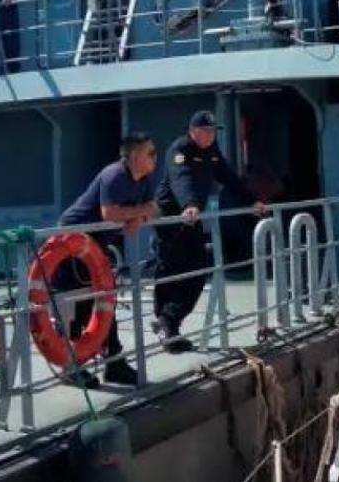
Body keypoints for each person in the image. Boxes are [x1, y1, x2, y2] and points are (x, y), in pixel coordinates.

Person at [154, 110, 266, 352]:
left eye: (213, 131)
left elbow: (229, 178)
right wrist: (190, 204)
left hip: (192, 219)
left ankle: (169, 320)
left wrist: (251, 201)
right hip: (171, 218)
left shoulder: (211, 152)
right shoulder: (179, 150)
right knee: (171, 269)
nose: (211, 135)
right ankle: (167, 325)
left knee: (197, 270)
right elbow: (180, 178)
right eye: (206, 131)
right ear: (193, 131)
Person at [56, 133, 161, 388]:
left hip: (97, 243)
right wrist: (137, 214)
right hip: (73, 241)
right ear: (134, 156)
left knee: (105, 301)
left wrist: (138, 217)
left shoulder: (144, 179)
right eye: (151, 153)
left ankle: (114, 363)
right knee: (79, 304)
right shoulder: (113, 175)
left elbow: (153, 207)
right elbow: (110, 213)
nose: (155, 157)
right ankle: (71, 367)